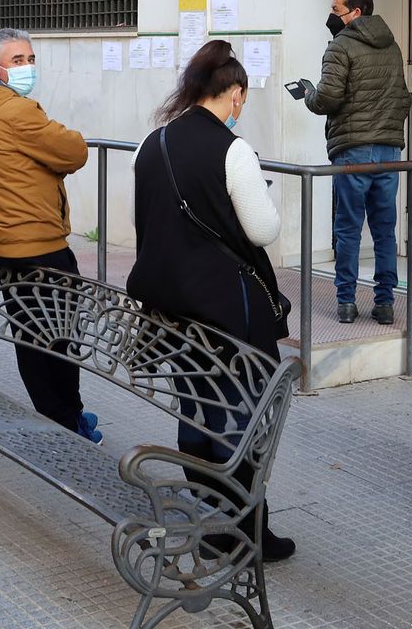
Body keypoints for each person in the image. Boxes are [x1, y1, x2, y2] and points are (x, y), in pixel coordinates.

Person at [127, 40, 296, 562]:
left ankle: (209, 512)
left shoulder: (150, 143)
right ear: (235, 94)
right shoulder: (233, 149)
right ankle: (244, 531)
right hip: (227, 307)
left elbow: (148, 222)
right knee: (242, 416)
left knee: (197, 407)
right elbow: (262, 229)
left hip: (170, 306)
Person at [0, 28, 101, 443]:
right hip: (40, 247)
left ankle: (61, 415)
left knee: (31, 339)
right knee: (56, 341)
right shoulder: (16, 112)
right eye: (18, 61)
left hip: (0, 245)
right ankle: (65, 423)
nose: (27, 67)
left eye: (31, 58)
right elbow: (74, 151)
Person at [302, 0, 412, 324]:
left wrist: (309, 94)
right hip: (389, 151)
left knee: (348, 229)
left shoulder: (340, 46)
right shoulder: (392, 45)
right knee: (384, 230)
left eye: (336, 9)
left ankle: (346, 303)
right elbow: (402, 97)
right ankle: (385, 304)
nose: (331, 16)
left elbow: (328, 99)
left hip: (353, 151)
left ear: (356, 13)